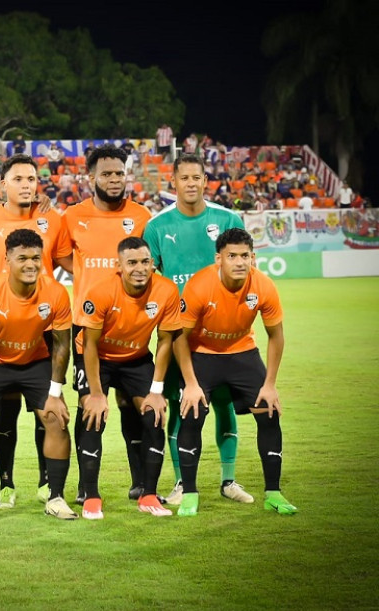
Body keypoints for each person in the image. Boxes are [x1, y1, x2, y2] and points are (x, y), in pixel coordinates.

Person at [143, 152, 253, 507]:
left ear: (206, 181)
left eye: (197, 177)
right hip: (180, 335)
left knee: (224, 406)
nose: (191, 184)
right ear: (172, 182)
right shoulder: (157, 226)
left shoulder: (227, 218)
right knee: (181, 408)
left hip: (224, 333)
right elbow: (151, 280)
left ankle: (229, 480)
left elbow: (245, 270)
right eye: (184, 178)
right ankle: (180, 483)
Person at [0, 154, 72, 509]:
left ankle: (47, 485)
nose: (27, 184)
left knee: (49, 413)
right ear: (3, 184)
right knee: (2, 414)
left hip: (41, 324)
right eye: (19, 178)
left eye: (31, 178)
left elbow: (75, 262)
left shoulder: (52, 219)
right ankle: (5, 485)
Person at [74, 237, 203, 520]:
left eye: (145, 262)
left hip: (136, 359)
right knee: (92, 415)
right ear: (119, 266)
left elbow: (166, 340)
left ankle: (148, 494)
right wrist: (96, 394)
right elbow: (90, 345)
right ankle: (91, 495)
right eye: (132, 263)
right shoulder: (101, 291)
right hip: (98, 358)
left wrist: (156, 391)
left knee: (154, 415)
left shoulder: (166, 290)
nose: (139, 268)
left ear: (152, 264)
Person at [177, 228, 297, 517]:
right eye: (232, 256)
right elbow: (179, 337)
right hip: (203, 354)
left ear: (253, 257)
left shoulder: (264, 286)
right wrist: (191, 384)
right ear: (219, 258)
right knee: (191, 414)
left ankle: (273, 493)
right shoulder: (199, 285)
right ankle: (190, 494)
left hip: (242, 352)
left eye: (245, 256)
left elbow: (276, 336)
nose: (240, 262)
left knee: (269, 411)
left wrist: (270, 384)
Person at [60, 144, 156, 504]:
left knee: (135, 405)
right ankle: (88, 489)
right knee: (91, 405)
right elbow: (62, 257)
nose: (114, 180)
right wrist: (93, 284)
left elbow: (148, 264)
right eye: (106, 174)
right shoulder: (72, 216)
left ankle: (141, 483)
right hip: (88, 327)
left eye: (119, 173)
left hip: (133, 328)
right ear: (91, 178)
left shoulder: (143, 216)